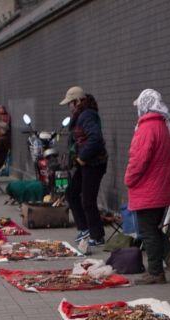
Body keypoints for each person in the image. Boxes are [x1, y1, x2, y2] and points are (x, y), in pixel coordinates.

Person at [124, 89, 170, 284]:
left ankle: (156, 271)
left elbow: (138, 160)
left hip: (148, 187)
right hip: (163, 186)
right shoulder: (165, 125)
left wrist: (129, 179)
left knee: (147, 230)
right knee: (153, 228)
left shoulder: (147, 128)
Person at [61, 86, 107, 246]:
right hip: (85, 163)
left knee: (88, 199)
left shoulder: (87, 115)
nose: (69, 107)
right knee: (72, 193)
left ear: (78, 101)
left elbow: (96, 138)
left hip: (94, 163)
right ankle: (84, 228)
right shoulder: (81, 115)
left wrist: (82, 156)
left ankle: (97, 235)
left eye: (70, 103)